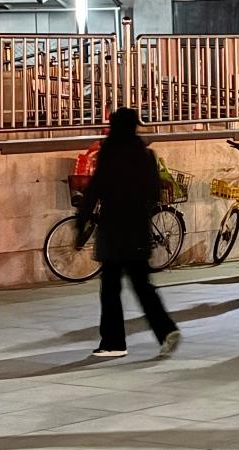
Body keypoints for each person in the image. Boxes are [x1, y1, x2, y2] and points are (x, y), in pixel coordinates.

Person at [75, 107, 180, 359]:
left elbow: (94, 191)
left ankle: (113, 342)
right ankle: (165, 330)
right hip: (138, 229)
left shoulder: (109, 153)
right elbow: (155, 193)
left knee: (110, 289)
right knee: (143, 287)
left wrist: (81, 225)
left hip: (113, 229)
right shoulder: (146, 154)